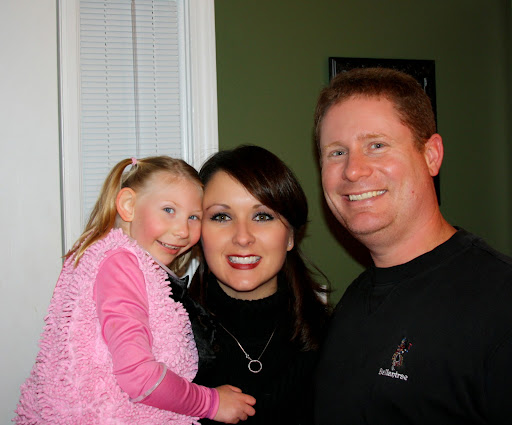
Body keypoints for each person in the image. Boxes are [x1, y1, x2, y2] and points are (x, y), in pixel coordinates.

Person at [312, 67, 512, 424]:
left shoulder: (500, 301)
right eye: (336, 152)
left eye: (376, 145)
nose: (353, 170)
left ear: (431, 155)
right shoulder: (353, 302)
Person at [14, 156, 255, 424]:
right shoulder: (121, 266)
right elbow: (139, 377)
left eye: (193, 217)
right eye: (169, 210)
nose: (182, 230)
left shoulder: (116, 260)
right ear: (129, 206)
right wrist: (210, 403)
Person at [185, 145, 330, 425]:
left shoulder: (334, 340)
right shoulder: (164, 342)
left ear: (290, 236)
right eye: (221, 216)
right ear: (198, 233)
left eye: (262, 216)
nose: (242, 237)